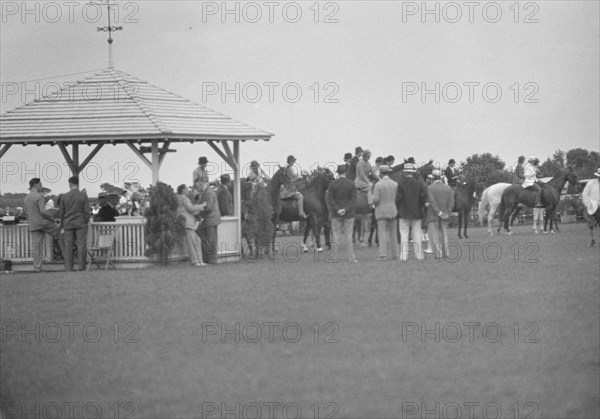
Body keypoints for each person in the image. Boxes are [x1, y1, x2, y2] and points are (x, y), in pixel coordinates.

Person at [23, 178, 64, 272]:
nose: (41, 186)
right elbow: (43, 211)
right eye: (40, 184)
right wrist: (52, 218)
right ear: (35, 185)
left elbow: (25, 213)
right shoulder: (39, 196)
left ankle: (37, 268)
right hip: (43, 223)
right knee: (60, 235)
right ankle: (67, 260)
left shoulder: (26, 198)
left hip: (33, 225)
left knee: (37, 247)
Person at [326, 165, 357, 262]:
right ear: (346, 172)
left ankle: (334, 257)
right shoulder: (351, 184)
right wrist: (346, 209)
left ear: (337, 173)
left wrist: (337, 209)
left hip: (336, 214)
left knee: (336, 235)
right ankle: (351, 257)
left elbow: (330, 199)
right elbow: (353, 199)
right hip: (349, 214)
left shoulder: (332, 184)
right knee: (349, 235)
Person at [396, 163, 428, 261]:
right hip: (416, 212)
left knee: (404, 234)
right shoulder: (419, 184)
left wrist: (399, 208)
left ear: (405, 173)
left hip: (403, 212)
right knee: (417, 234)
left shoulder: (400, 184)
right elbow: (423, 198)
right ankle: (419, 256)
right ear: (413, 173)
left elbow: (398, 199)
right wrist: (422, 205)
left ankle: (403, 256)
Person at [58, 176, 90, 271]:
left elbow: (61, 212)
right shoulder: (83, 196)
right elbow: (87, 211)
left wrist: (62, 224)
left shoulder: (64, 196)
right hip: (81, 223)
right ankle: (81, 266)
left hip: (68, 223)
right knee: (81, 244)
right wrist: (86, 220)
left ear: (70, 184)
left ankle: (68, 267)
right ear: (78, 184)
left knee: (68, 245)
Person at [372, 165, 399, 261]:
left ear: (381, 173)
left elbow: (376, 199)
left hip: (381, 211)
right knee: (393, 234)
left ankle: (383, 255)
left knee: (382, 234)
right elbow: (397, 198)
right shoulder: (395, 184)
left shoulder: (378, 185)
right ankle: (395, 254)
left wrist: (372, 202)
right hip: (392, 210)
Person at [426, 169, 454, 259]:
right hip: (445, 214)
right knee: (444, 233)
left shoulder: (430, 188)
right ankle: (446, 253)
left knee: (435, 235)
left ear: (433, 178)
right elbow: (451, 202)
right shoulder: (448, 188)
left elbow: (432, 201)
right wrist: (447, 213)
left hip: (433, 214)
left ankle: (439, 254)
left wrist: (439, 212)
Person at [176, 184, 207, 266]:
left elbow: (190, 209)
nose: (188, 191)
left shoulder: (180, 198)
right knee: (192, 242)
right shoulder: (184, 198)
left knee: (197, 240)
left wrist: (198, 207)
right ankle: (195, 261)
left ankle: (199, 260)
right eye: (186, 189)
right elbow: (191, 209)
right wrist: (202, 205)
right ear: (183, 190)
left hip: (187, 222)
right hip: (187, 223)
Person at [195, 181, 222, 264]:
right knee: (203, 237)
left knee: (211, 240)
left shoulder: (209, 192)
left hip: (211, 219)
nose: (196, 189)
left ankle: (212, 259)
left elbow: (209, 207)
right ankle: (206, 258)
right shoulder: (204, 193)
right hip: (207, 220)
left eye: (196, 187)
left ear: (201, 185)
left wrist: (198, 211)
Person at [355, 149, 373, 246]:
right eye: (368, 155)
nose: (369, 157)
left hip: (365, 180)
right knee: (370, 188)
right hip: (360, 182)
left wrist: (378, 178)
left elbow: (371, 173)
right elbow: (362, 175)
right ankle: (370, 203)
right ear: (365, 156)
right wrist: (368, 182)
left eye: (370, 156)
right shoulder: (360, 163)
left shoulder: (369, 163)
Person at [582, 168, 600, 246]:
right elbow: (584, 194)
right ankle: (593, 239)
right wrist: (587, 204)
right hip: (592, 206)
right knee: (591, 224)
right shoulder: (591, 183)